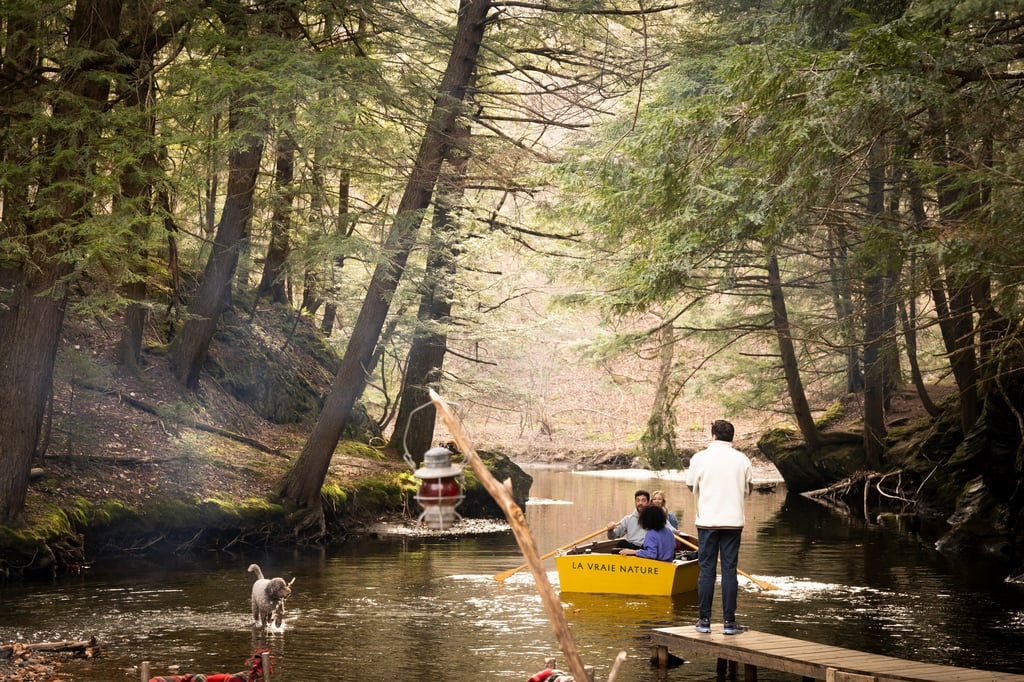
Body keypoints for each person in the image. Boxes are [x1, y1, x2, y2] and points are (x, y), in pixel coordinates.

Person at [686, 419, 753, 636]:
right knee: (729, 570)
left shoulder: (700, 458)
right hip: (733, 522)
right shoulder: (742, 460)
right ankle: (729, 623)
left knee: (706, 570)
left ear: (713, 435)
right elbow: (749, 489)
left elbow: (690, 485)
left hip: (707, 522)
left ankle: (704, 621)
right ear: (731, 437)